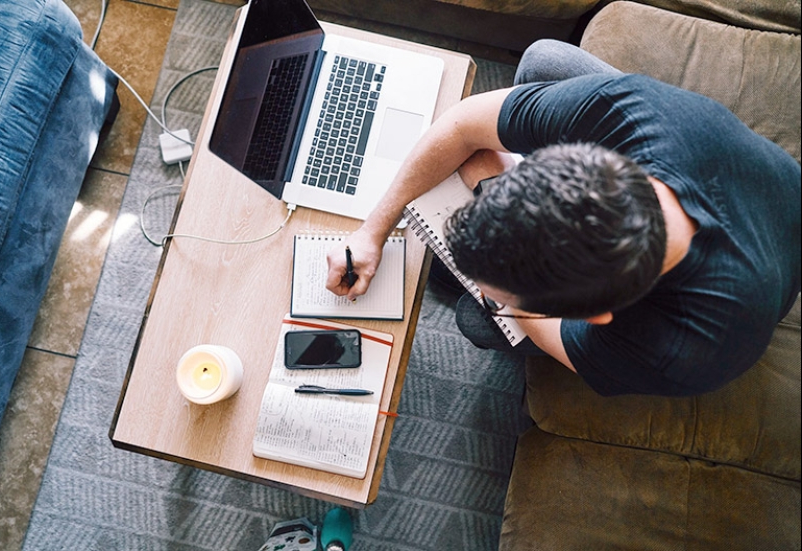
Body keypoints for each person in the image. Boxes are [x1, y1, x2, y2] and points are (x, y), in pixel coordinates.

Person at [325, 40, 801, 397]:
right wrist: (373, 231)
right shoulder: (630, 112)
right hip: (763, 194)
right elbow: (463, 123)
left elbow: (555, 337)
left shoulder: (676, 351)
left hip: (764, 284)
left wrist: (500, 305)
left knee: (477, 319)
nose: (493, 294)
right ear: (575, 157)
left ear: (594, 316)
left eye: (508, 298)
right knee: (543, 61)